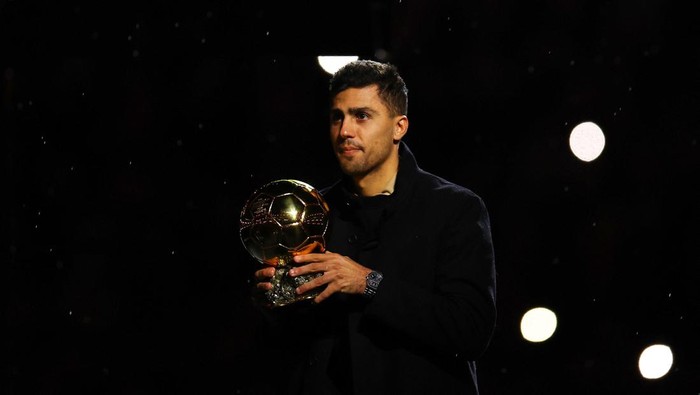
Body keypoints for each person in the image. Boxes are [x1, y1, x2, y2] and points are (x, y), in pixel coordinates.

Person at [252, 59, 496, 395]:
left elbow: (471, 330)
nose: (345, 131)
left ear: (399, 127)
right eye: (337, 117)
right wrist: (274, 304)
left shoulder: (454, 208)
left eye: (361, 116)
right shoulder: (311, 215)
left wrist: (368, 284)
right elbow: (291, 347)